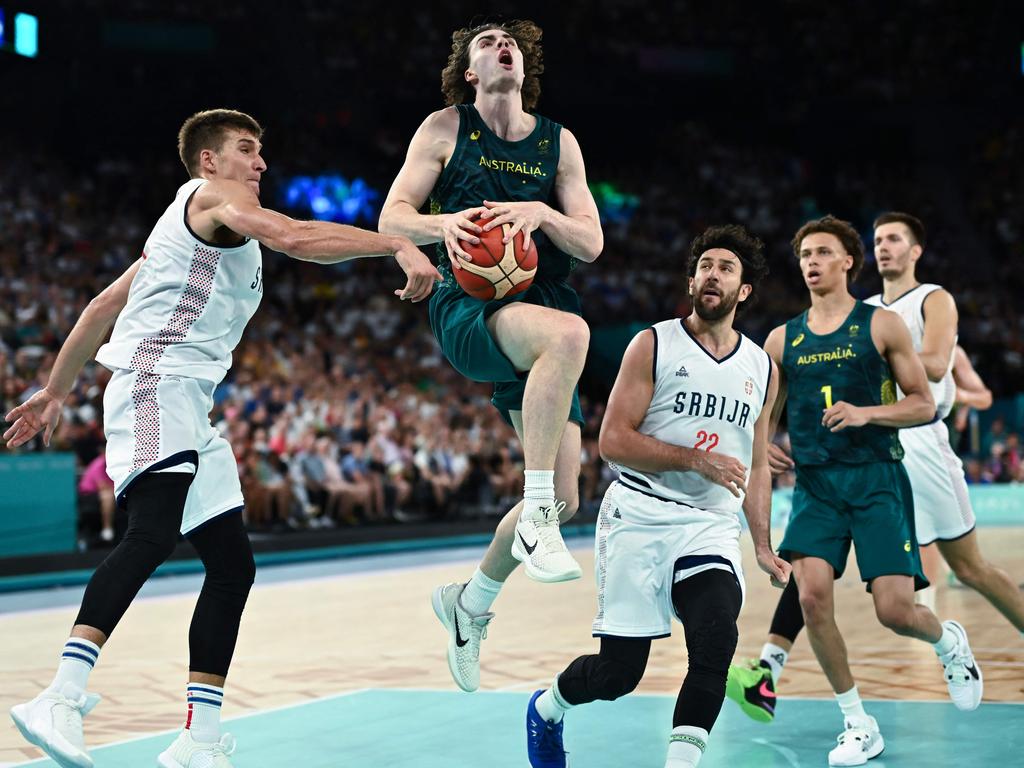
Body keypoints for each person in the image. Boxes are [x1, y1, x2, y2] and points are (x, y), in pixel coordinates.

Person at [5, 108, 439, 768]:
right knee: (150, 534)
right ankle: (58, 697)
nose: (261, 162)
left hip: (189, 402)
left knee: (233, 565)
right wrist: (395, 243)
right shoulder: (217, 198)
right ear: (210, 162)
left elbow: (102, 306)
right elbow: (295, 236)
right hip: (155, 382)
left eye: (262, 150)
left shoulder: (189, 227)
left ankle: (198, 740)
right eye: (246, 149)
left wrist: (57, 391)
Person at [728, 215, 1022, 735]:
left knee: (927, 593)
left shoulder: (907, 311)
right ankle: (827, 703)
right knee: (811, 589)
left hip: (895, 463)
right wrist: (761, 442)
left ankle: (948, 641)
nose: (812, 262)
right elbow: (762, 420)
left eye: (823, 253)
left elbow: (930, 387)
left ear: (850, 261)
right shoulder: (788, 337)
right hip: (822, 478)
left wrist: (869, 396)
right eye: (805, 255)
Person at [378, 19, 603, 692]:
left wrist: (543, 214)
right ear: (471, 72)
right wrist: (441, 224)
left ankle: (469, 604)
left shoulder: (559, 144)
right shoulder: (444, 128)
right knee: (569, 337)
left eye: (509, 41)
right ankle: (532, 514)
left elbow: (589, 241)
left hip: (540, 302)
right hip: (471, 308)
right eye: (485, 44)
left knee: (567, 497)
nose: (500, 46)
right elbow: (392, 216)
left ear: (523, 65)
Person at [523, 225, 790, 768]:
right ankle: (547, 708)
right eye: (705, 266)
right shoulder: (654, 343)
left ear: (744, 292)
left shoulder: (762, 367)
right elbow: (612, 440)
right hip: (640, 514)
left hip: (710, 526)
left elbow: (758, 462)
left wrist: (761, 546)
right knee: (618, 674)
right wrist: (696, 459)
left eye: (726, 268)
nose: (713, 274)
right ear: (691, 280)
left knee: (716, 641)